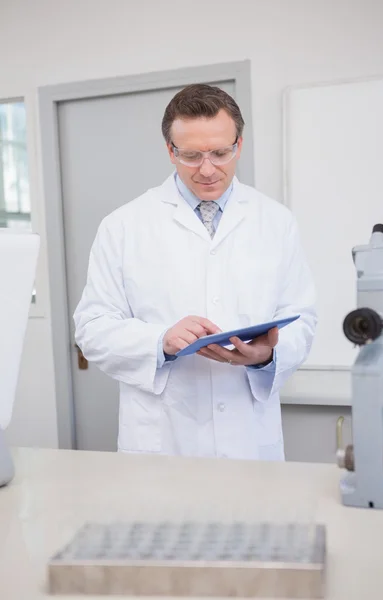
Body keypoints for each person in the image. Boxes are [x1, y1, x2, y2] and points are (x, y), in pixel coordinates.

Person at [74, 84, 317, 461]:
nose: (207, 169)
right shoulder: (123, 225)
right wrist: (161, 341)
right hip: (163, 441)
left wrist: (268, 355)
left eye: (221, 153)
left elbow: (303, 320)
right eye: (191, 155)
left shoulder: (276, 222)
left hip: (248, 440)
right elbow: (92, 329)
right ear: (170, 151)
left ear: (240, 143)